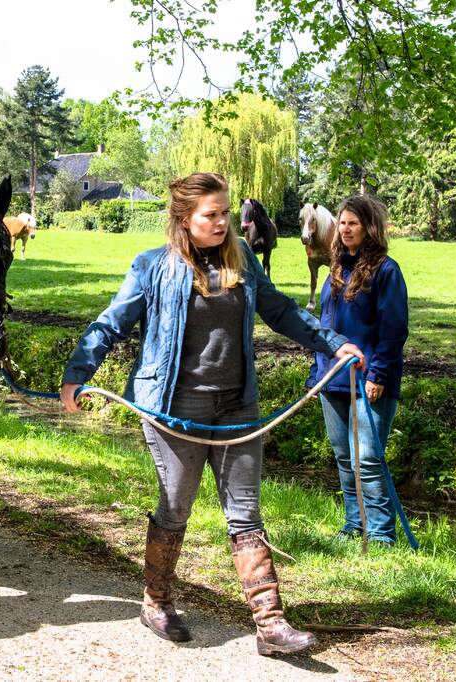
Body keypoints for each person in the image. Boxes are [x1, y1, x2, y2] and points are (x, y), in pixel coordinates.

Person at [59, 172, 364, 656]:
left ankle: (270, 624)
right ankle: (156, 601)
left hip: (238, 404)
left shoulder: (243, 261)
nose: (224, 223)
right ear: (184, 219)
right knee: (176, 507)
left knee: (245, 513)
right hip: (175, 406)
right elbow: (111, 323)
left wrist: (332, 343)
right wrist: (78, 373)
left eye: (225, 213)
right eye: (212, 215)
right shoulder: (152, 267)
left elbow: (282, 312)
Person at [307, 195, 408, 546]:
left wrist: (379, 374)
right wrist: (316, 373)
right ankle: (354, 525)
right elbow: (325, 325)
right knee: (344, 457)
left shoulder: (387, 270)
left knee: (367, 457)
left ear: (369, 228)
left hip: (369, 379)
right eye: (343, 222)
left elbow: (394, 329)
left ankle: (380, 534)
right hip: (332, 376)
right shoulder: (335, 269)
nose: (346, 229)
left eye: (353, 223)